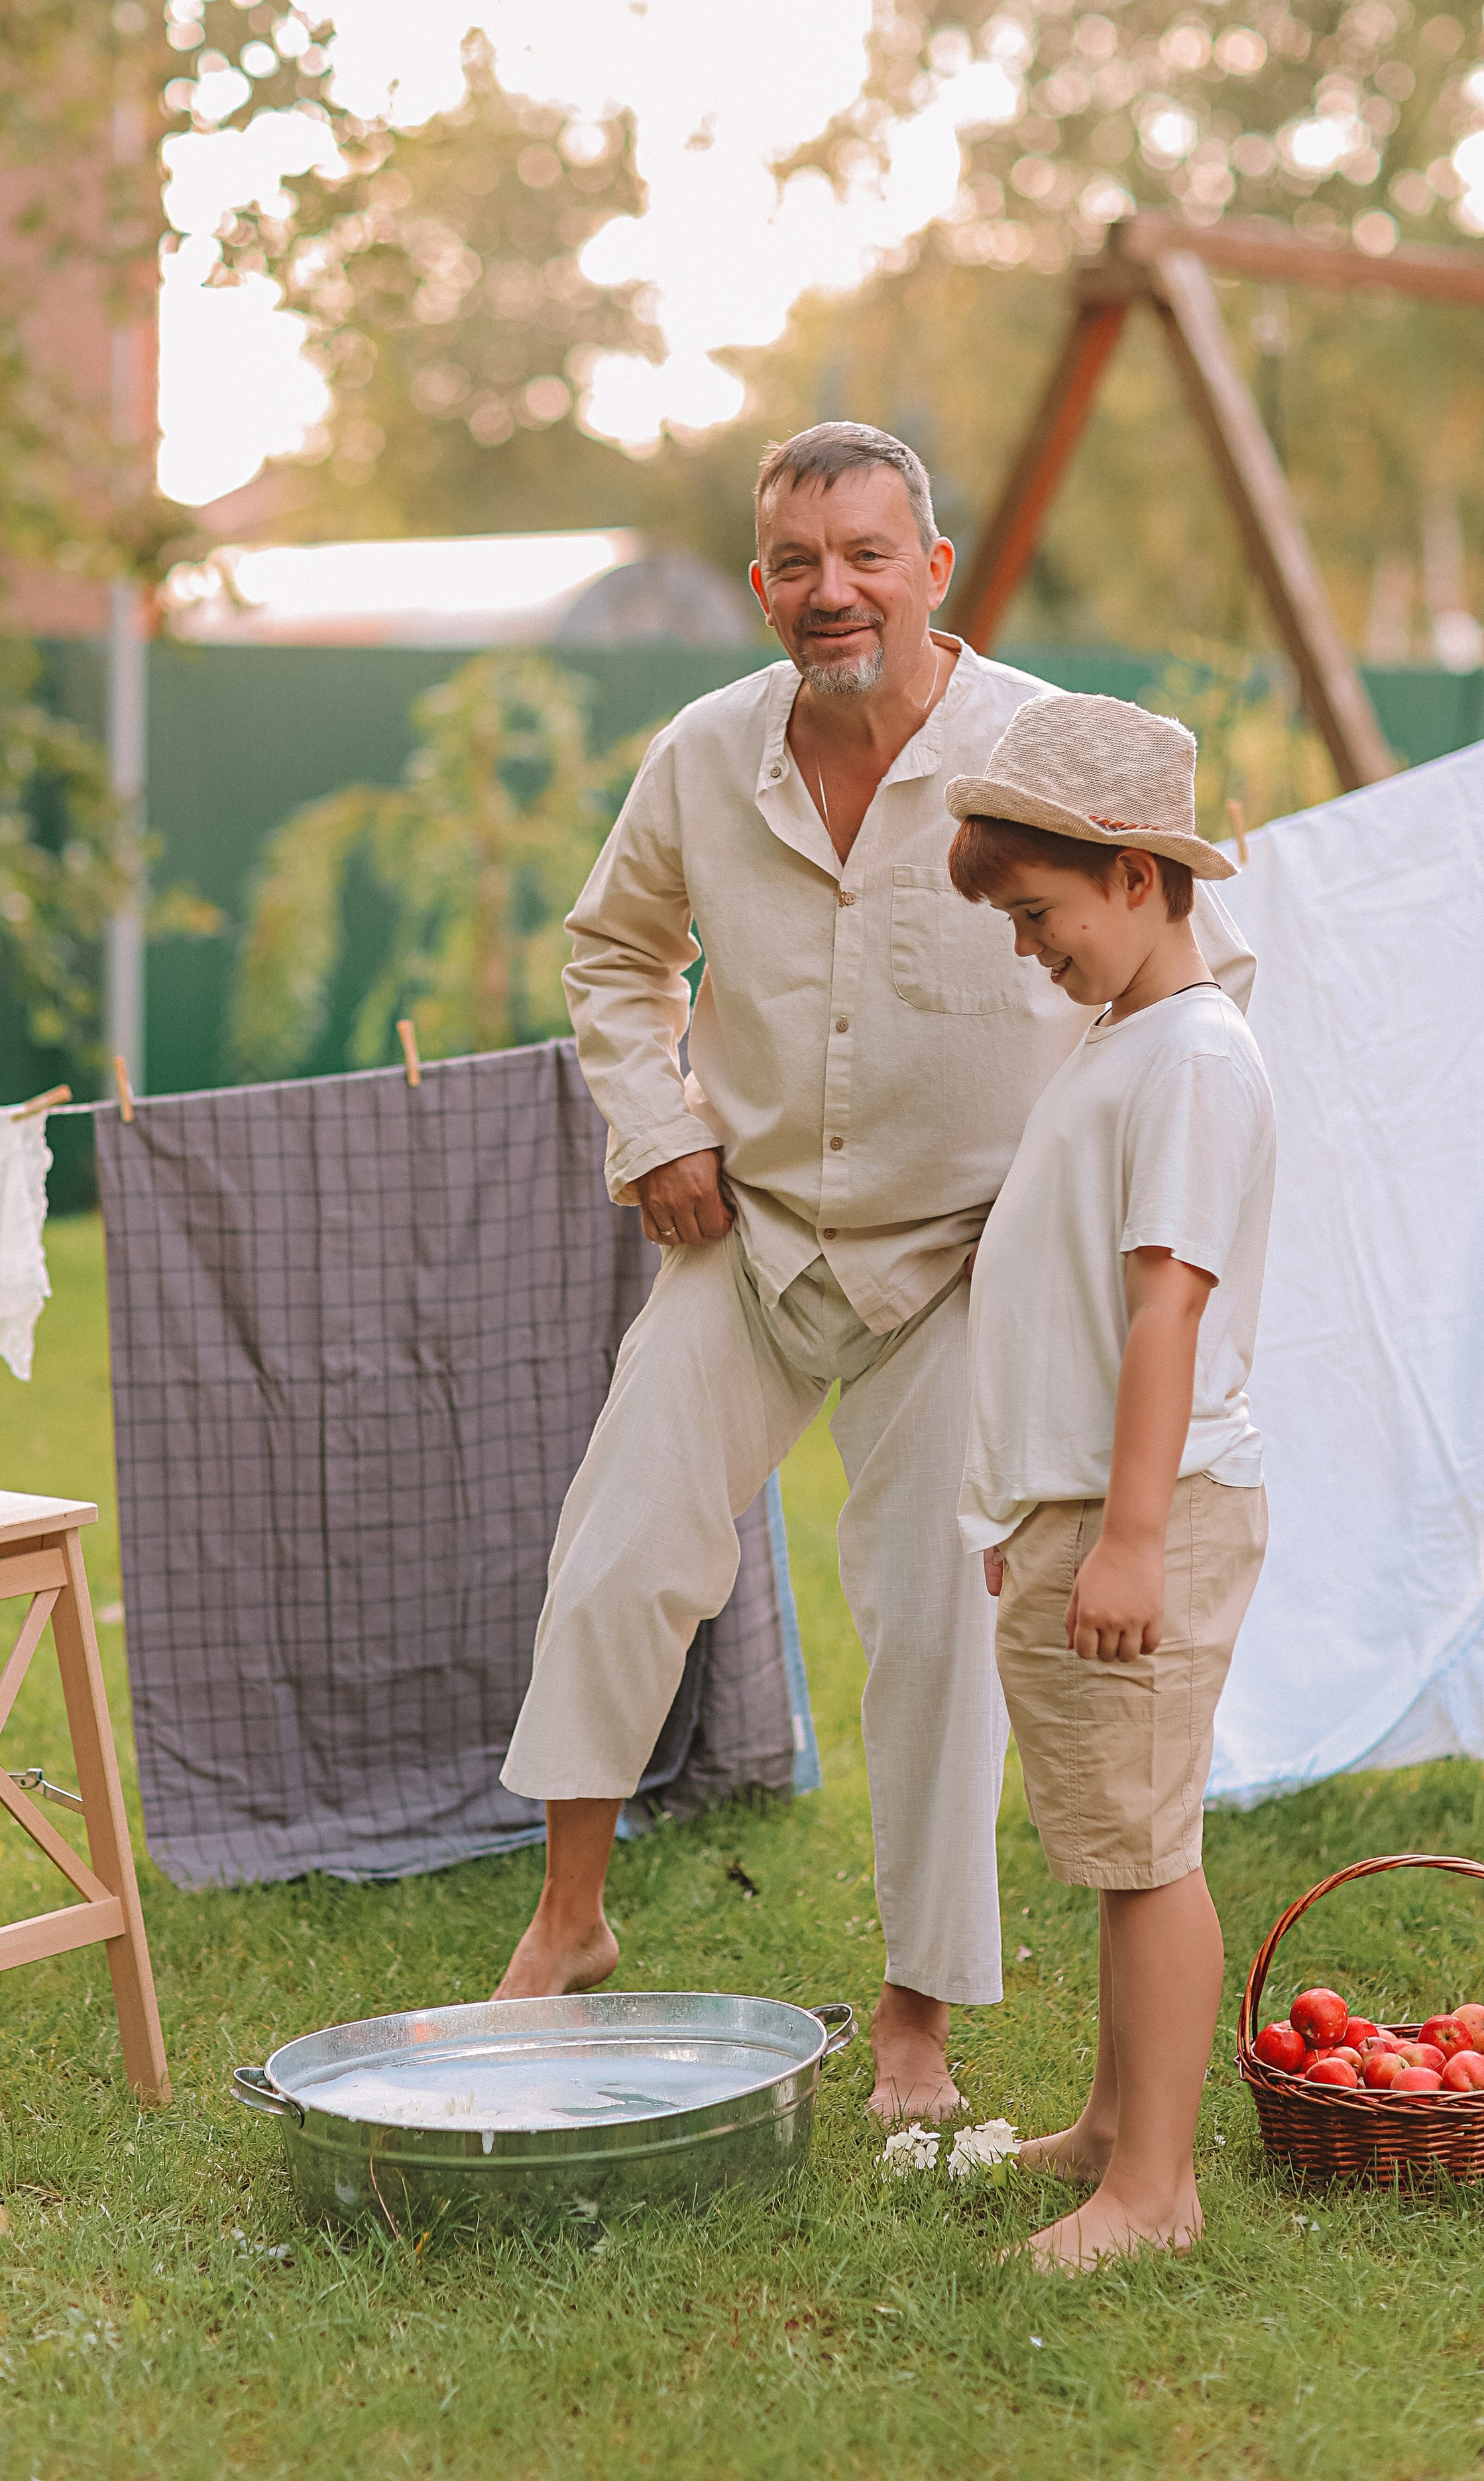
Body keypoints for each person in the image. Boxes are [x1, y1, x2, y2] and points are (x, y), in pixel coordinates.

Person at [492, 422, 1253, 2126]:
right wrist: (655, 1123)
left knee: (929, 1623)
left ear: (932, 570)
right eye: (794, 563)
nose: (829, 589)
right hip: (749, 1228)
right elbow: (612, 952)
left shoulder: (1039, 743)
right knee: (617, 1546)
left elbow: (1200, 975)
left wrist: (1076, 1198)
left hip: (966, 1263)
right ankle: (568, 1921)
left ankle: (916, 2014)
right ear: (760, 585)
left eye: (863, 554)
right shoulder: (702, 753)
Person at [945, 692, 1275, 2267]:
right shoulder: (1122, 1040)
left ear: (1137, 876)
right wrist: (1029, 1510)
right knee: (1108, 1834)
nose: (1028, 950)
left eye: (1038, 914)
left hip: (1149, 1511)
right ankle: (1107, 2127)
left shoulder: (1193, 1058)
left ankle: (1153, 2191)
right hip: (1076, 1507)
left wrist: (1130, 1539)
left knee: (1146, 1857)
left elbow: (1165, 1311)